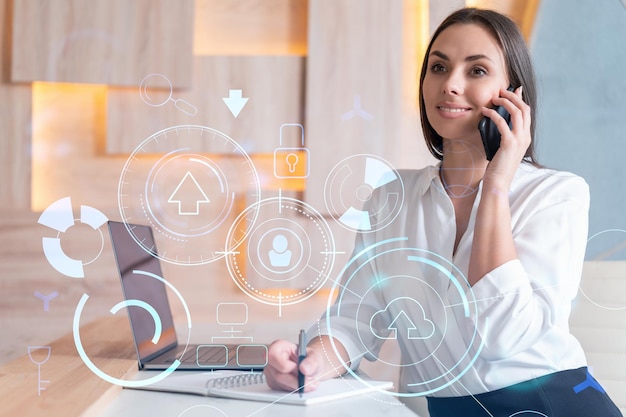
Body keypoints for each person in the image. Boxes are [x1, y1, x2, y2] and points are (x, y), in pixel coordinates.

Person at [263, 7, 622, 416]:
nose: (450, 85)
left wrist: (496, 186)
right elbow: (353, 320)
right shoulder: (390, 198)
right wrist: (308, 364)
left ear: (513, 97)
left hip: (553, 404)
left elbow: (502, 337)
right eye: (438, 67)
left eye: (477, 71)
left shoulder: (557, 195)